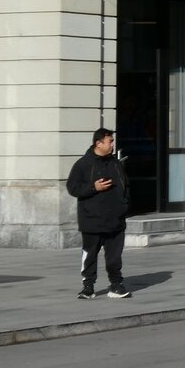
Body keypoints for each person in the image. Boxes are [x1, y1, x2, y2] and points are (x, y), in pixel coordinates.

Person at [65, 128, 131, 300]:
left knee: (114, 257)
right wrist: (94, 188)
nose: (112, 145)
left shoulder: (116, 164)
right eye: (110, 141)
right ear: (98, 143)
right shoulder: (83, 164)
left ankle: (116, 285)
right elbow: (72, 188)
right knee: (90, 254)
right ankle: (88, 287)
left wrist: (124, 207)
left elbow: (126, 187)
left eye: (112, 141)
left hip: (115, 221)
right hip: (92, 220)